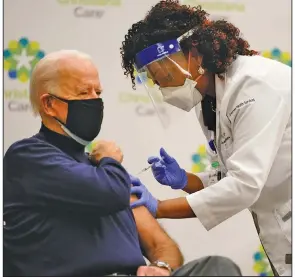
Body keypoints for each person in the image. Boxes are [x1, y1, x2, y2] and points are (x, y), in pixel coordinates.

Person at [3, 50, 242, 276]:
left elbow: (161, 244)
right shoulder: (28, 157)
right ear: (49, 104)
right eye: (84, 93)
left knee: (218, 268)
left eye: (98, 92)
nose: (95, 101)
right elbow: (108, 193)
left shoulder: (104, 172)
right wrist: (109, 160)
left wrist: (160, 267)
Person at [120, 0, 291, 276]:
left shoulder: (253, 85)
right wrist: (187, 180)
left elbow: (245, 185)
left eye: (163, 72)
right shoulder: (210, 99)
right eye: (154, 79)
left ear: (195, 52)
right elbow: (230, 174)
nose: (161, 84)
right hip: (278, 228)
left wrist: (159, 208)